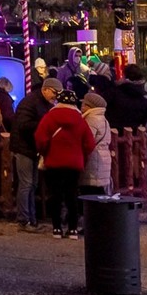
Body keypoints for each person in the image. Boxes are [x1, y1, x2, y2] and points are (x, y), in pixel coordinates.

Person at [35, 90, 95, 238]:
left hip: (54, 162)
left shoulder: (49, 117)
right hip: (74, 163)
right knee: (71, 194)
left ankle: (56, 228)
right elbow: (90, 143)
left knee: (55, 195)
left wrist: (45, 151)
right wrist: (82, 155)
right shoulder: (80, 120)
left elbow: (40, 138)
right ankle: (73, 228)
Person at [11, 78, 60, 231]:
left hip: (32, 148)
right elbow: (23, 125)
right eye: (54, 92)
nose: (55, 96)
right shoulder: (30, 103)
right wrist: (44, 125)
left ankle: (31, 218)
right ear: (45, 89)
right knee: (26, 183)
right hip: (24, 147)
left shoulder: (41, 103)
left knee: (32, 184)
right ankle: (24, 219)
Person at [79, 91, 113, 197]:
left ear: (89, 106)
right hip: (102, 158)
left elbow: (87, 140)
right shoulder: (103, 119)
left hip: (94, 160)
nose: (81, 106)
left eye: (83, 104)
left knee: (91, 192)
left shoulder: (91, 120)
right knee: (97, 192)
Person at [107, 64, 147, 130]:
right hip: (135, 130)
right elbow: (146, 117)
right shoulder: (144, 96)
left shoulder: (114, 92)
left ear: (124, 76)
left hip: (114, 130)